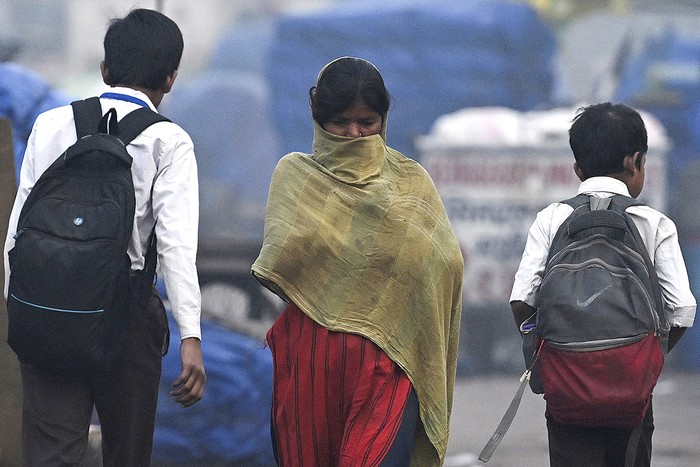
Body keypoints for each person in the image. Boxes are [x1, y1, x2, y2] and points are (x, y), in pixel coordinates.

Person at [2, 8, 206, 466]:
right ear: (171, 79)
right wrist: (190, 336)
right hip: (127, 314)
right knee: (126, 450)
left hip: (47, 304)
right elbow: (175, 246)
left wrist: (20, 305)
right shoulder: (168, 142)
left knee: (51, 450)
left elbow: (18, 230)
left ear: (104, 69)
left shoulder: (51, 124)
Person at [251, 57, 464, 466]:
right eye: (340, 122)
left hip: (389, 361)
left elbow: (445, 265)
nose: (354, 134)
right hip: (311, 361)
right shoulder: (296, 175)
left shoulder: (411, 181)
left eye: (367, 122)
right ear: (318, 119)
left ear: (382, 120)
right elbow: (282, 256)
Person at [509, 102, 696, 467]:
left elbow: (521, 300)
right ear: (635, 161)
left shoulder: (552, 218)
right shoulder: (654, 223)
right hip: (632, 389)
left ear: (577, 168)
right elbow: (683, 310)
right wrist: (645, 357)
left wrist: (545, 350)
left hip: (566, 387)